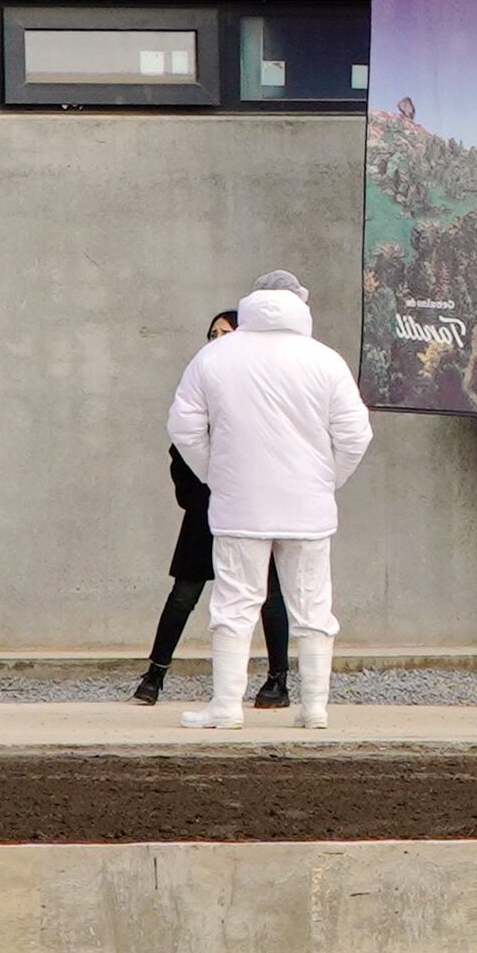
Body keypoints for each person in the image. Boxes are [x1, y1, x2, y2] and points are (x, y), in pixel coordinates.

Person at [162, 275, 375, 730]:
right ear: (301, 306)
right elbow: (356, 435)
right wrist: (326, 480)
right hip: (308, 506)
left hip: (240, 505)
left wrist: (218, 477)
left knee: (234, 604)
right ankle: (315, 707)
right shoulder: (325, 360)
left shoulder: (215, 355)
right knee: (314, 609)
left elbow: (183, 427)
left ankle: (225, 706)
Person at [131, 303, 237, 705]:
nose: (216, 342)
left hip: (250, 503)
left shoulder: (252, 386)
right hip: (207, 506)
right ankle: (155, 675)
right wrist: (197, 493)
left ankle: (276, 680)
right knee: (184, 594)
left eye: (226, 334)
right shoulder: (202, 382)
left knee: (268, 593)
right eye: (212, 335)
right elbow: (181, 443)